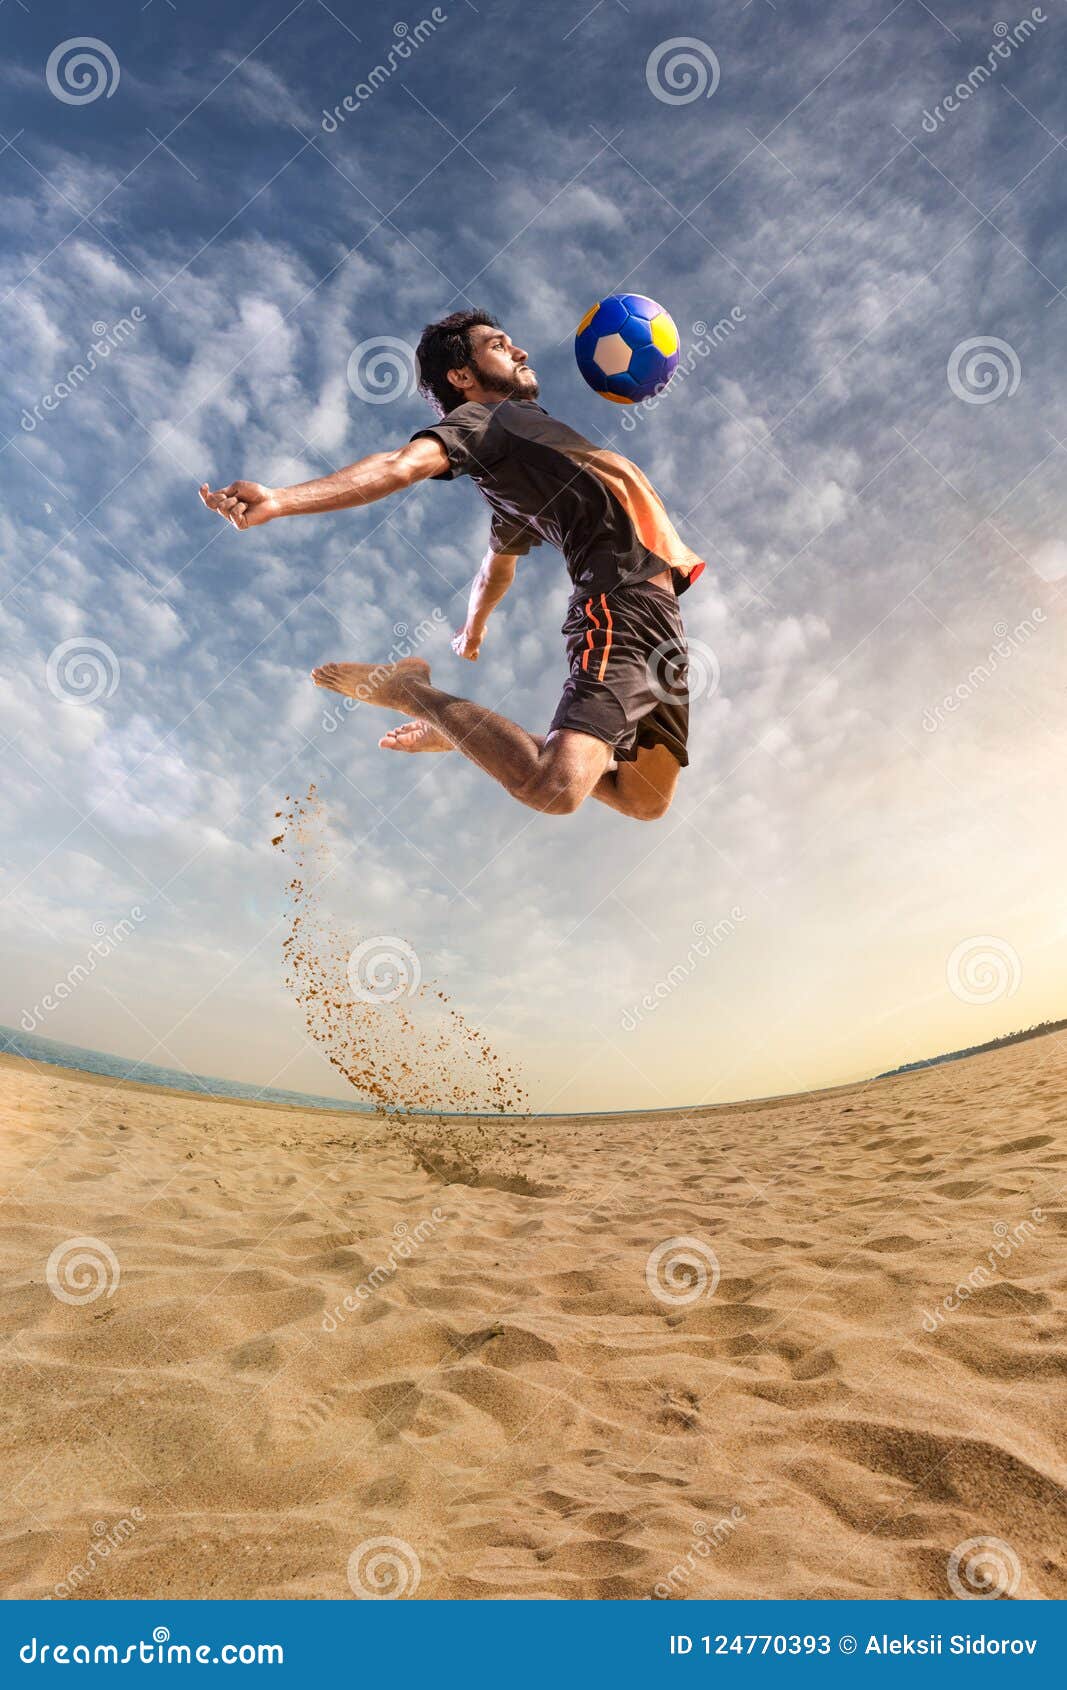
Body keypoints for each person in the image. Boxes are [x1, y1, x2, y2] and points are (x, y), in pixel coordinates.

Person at [199, 309, 705, 820]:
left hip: (664, 625)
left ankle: (463, 734)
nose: (521, 352)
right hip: (621, 604)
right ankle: (411, 691)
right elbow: (399, 464)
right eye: (500, 345)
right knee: (552, 787)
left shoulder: (528, 464)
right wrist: (281, 499)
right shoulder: (485, 421)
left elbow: (495, 568)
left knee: (642, 798)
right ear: (461, 377)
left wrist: (473, 630)